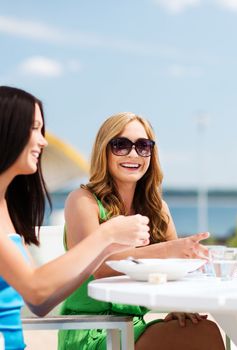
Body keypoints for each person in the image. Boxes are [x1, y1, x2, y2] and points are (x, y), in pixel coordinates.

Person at [0, 86, 151, 350]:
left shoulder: (6, 208)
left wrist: (105, 246)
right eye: (34, 128)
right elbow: (36, 290)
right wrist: (107, 234)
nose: (43, 140)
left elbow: (40, 303)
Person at [58, 112, 225, 350]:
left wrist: (179, 306)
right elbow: (98, 268)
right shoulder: (83, 201)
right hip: (90, 329)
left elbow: (177, 268)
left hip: (133, 326)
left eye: (143, 146)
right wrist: (168, 249)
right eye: (121, 145)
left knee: (203, 328)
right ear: (103, 151)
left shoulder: (157, 208)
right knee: (202, 337)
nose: (133, 154)